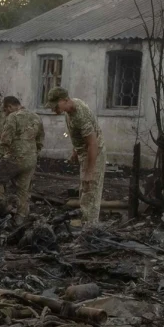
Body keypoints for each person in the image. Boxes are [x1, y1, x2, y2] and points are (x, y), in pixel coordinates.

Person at [47, 87, 105, 227]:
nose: (54, 109)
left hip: (93, 153)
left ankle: (90, 229)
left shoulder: (80, 115)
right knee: (84, 190)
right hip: (84, 151)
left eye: (56, 105)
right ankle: (87, 224)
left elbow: (92, 144)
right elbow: (77, 134)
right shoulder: (69, 110)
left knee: (90, 190)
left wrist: (90, 172)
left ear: (65, 100)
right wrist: (75, 151)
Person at [0, 95, 44, 217]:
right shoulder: (36, 117)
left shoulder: (12, 117)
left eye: (5, 110)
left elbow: (5, 141)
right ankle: (21, 218)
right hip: (31, 160)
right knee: (23, 191)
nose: (5, 113)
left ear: (9, 106)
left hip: (15, 158)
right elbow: (40, 141)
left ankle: (0, 206)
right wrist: (34, 154)